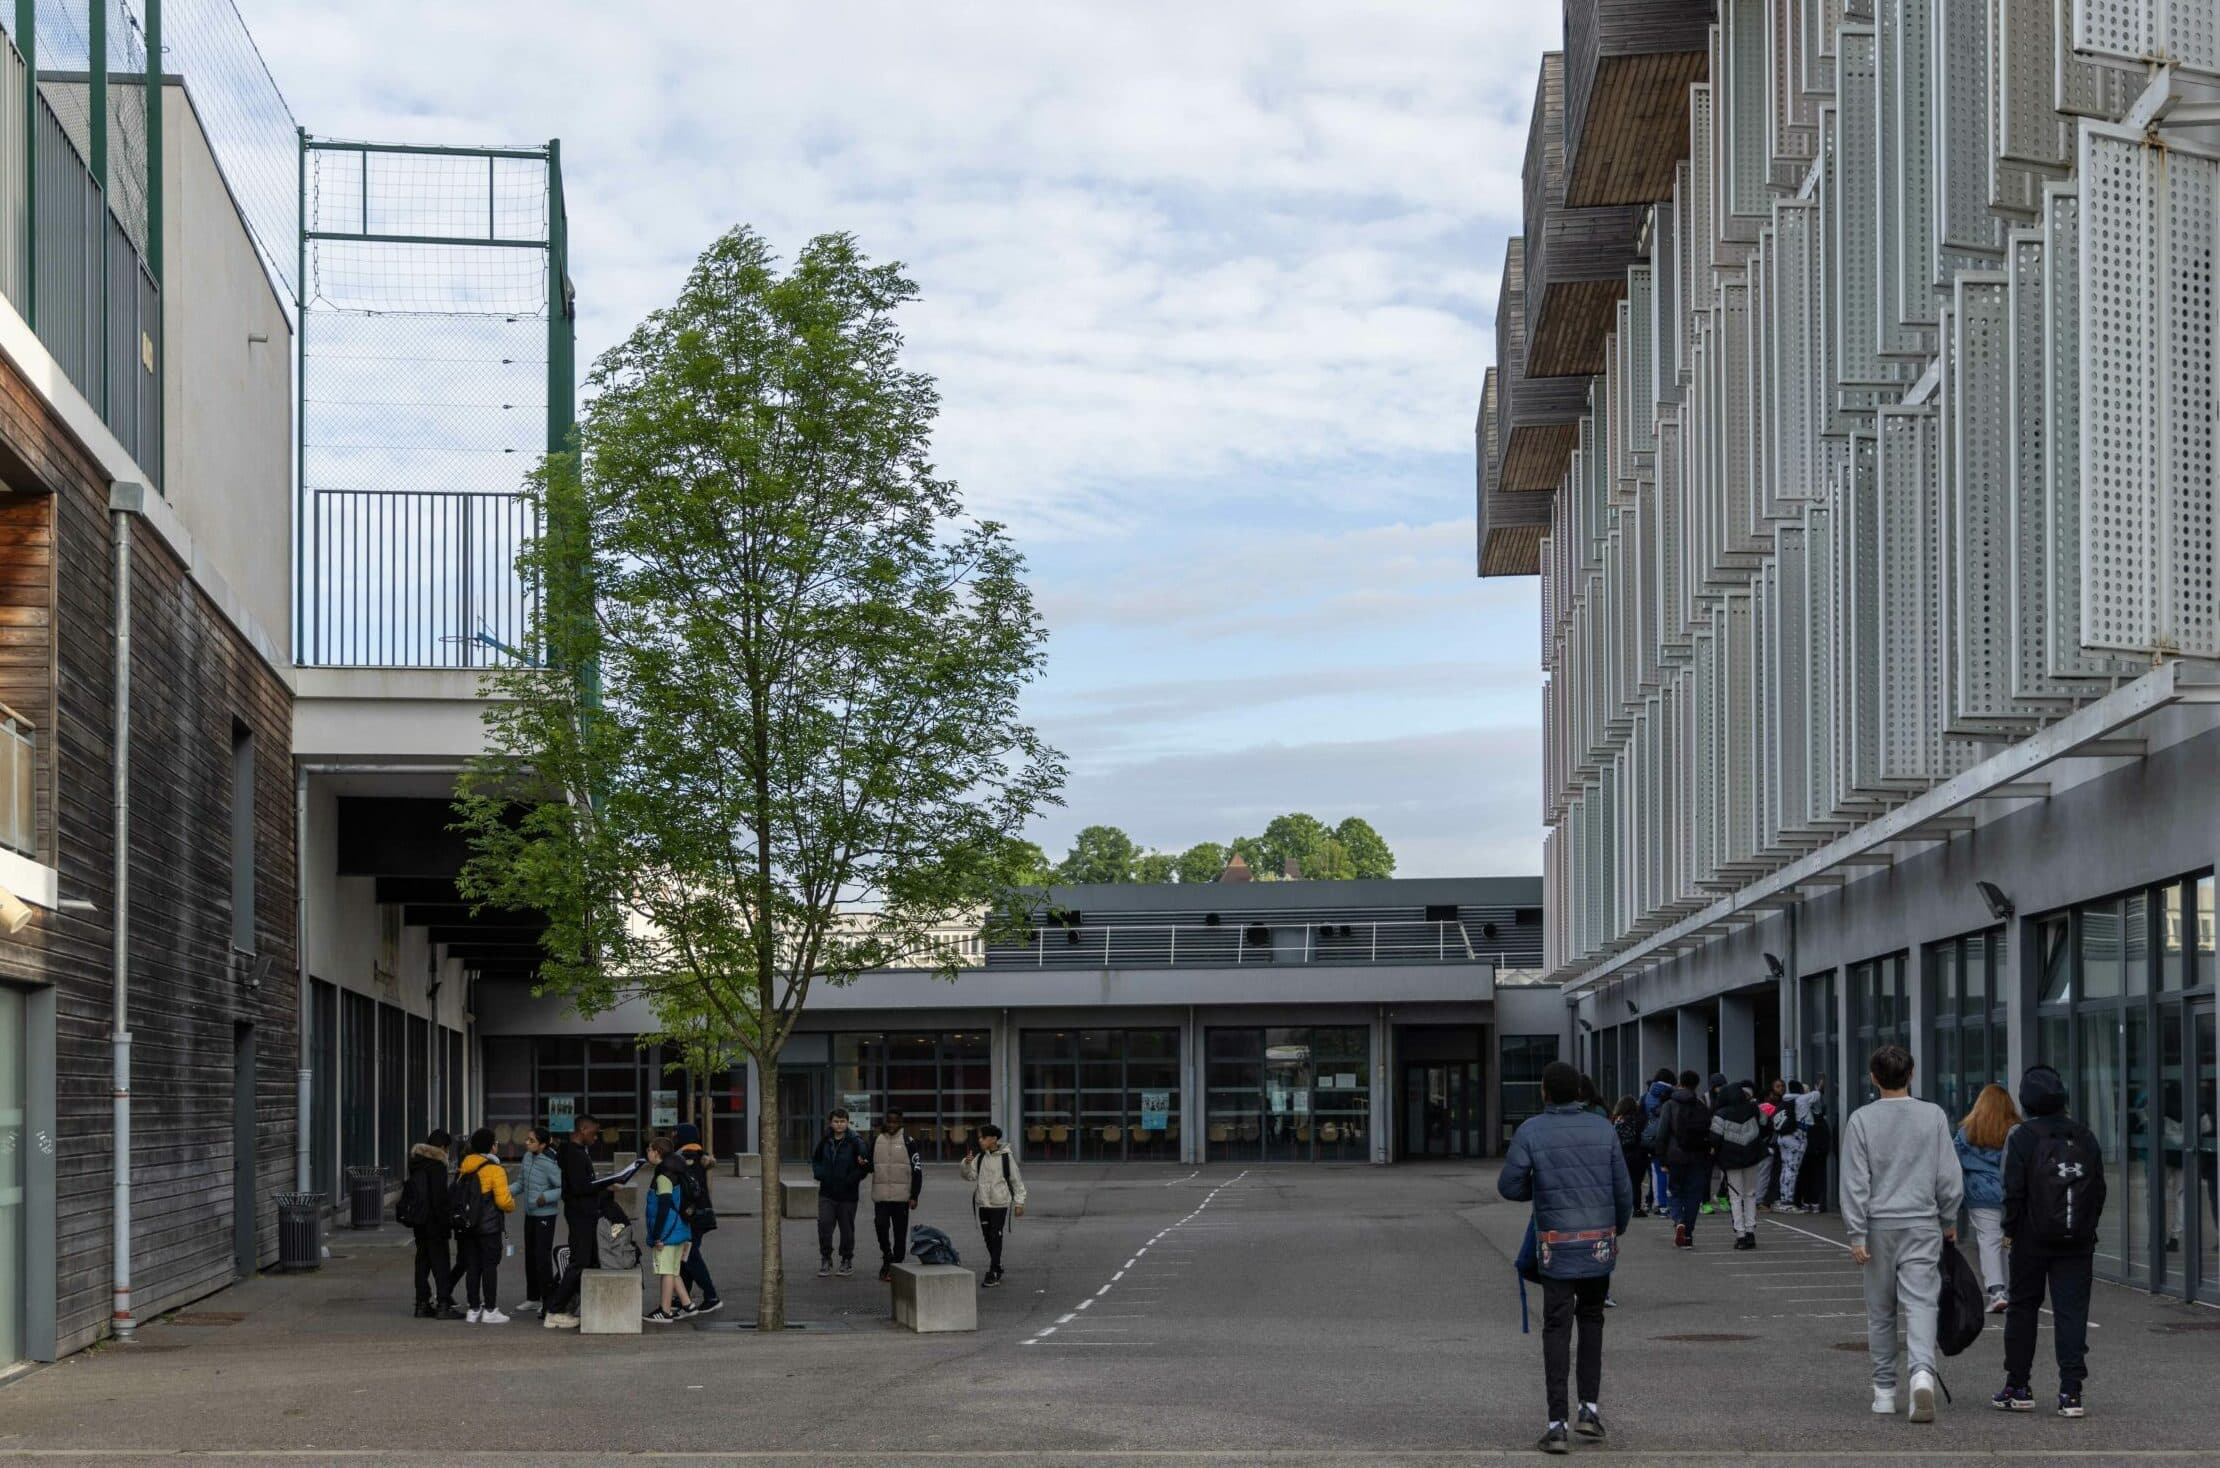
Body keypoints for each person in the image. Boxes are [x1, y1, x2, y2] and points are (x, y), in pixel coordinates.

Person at [1498, 1060, 1632, 1455]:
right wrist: (1616, 1228)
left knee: (1556, 1327)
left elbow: (1509, 1185)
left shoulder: (1531, 1130)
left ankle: (1555, 1425)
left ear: (1543, 1092)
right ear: (1579, 1092)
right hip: (1598, 1244)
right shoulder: (1604, 1129)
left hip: (1555, 1246)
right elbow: (1622, 1190)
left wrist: (1541, 1192)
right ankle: (1588, 1410)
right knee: (1592, 1319)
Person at [1841, 1045, 1960, 1423]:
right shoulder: (1933, 1116)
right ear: (1911, 1075)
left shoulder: (1861, 1120)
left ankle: (1884, 1392)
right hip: (1923, 1222)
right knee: (1923, 1302)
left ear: (1873, 1078)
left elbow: (1855, 1182)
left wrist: (1856, 1233)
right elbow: (1948, 1176)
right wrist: (1948, 1215)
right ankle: (1922, 1372)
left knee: (1880, 1311)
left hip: (1877, 1226)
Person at [1996, 1064, 2106, 1418]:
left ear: (2026, 1100)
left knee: (2023, 1308)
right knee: (2071, 1313)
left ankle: (2018, 1386)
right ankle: (2071, 1392)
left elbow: (2013, 1190)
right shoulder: (2084, 1136)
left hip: (2030, 1237)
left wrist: (2009, 1230)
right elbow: (2099, 1189)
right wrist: (2087, 1227)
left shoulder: (2023, 1137)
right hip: (2077, 1239)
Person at [542, 1114, 642, 1330]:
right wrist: (605, 1184)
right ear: (583, 1129)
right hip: (580, 1214)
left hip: (582, 1212)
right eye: (594, 1132)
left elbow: (582, 1183)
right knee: (579, 1260)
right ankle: (555, 1310)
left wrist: (603, 1182)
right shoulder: (574, 1154)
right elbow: (580, 1187)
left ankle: (563, 1305)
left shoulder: (574, 1152)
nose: (596, 1137)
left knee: (584, 1259)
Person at [1955, 1083, 2019, 1313]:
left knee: (1989, 1241)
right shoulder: (2016, 1130)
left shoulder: (1967, 1131)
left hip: (1981, 1195)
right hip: (2011, 1193)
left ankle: (1997, 1291)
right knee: (2009, 1242)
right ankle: (2013, 1290)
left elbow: (1955, 1164)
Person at [453, 1127, 516, 1324]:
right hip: (488, 1228)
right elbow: (504, 1202)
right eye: (496, 1143)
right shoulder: (494, 1169)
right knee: (489, 1267)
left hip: (468, 1227)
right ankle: (490, 1309)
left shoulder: (464, 1167)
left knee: (472, 1267)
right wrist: (512, 1204)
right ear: (491, 1147)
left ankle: (473, 1309)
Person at [403, 1129, 462, 1320]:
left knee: (422, 1262)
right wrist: (447, 1222)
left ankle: (422, 1303)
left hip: (419, 1220)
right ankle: (444, 1304)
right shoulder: (437, 1165)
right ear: (443, 1147)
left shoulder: (416, 1163)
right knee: (441, 1263)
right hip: (435, 1222)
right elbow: (439, 1199)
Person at [960, 1123, 1028, 1287]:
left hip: (1000, 1203)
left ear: (993, 1139)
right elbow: (970, 1177)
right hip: (983, 1203)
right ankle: (997, 1265)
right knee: (987, 1237)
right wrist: (966, 1164)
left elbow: (1016, 1182)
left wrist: (1019, 1202)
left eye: (983, 1138)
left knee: (995, 1236)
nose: (980, 1141)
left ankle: (993, 1272)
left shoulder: (1006, 1157)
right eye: (979, 1138)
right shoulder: (980, 1157)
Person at [1654, 1070, 1713, 1248]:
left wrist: (1662, 1159)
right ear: (1696, 1085)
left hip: (1675, 1156)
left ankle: (1679, 1219)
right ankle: (1688, 1232)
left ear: (1679, 1083)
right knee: (1694, 1195)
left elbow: (1662, 1134)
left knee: (1675, 1191)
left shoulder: (1670, 1105)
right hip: (1698, 1156)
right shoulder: (1701, 1105)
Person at [869, 1107, 925, 1282]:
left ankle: (897, 1264)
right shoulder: (876, 1140)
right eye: (889, 1121)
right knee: (881, 1225)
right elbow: (869, 1165)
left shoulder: (909, 1142)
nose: (892, 1125)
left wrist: (914, 1195)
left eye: (895, 1121)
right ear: (885, 1121)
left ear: (901, 1122)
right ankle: (887, 1255)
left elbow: (917, 1170)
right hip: (881, 1197)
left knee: (900, 1234)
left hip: (902, 1198)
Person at [643, 1133, 695, 1323]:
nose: (647, 1152)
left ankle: (664, 1311)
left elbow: (663, 1207)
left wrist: (658, 1235)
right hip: (680, 1228)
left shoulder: (664, 1176)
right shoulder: (678, 1170)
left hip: (668, 1232)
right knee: (673, 1271)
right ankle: (688, 1304)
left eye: (649, 1149)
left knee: (666, 1271)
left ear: (657, 1153)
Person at [1711, 1080, 1769, 1250]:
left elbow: (1715, 1138)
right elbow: (1766, 1123)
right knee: (1750, 1194)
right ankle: (1751, 1231)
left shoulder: (1720, 1114)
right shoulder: (1752, 1108)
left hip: (1731, 1159)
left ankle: (1740, 1234)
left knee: (1735, 1196)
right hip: (1752, 1155)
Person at [811, 1108, 869, 1278]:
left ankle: (846, 1260)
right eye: (836, 1121)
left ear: (847, 1122)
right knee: (824, 1226)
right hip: (827, 1193)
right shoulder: (825, 1140)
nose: (839, 1124)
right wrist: (821, 1174)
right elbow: (816, 1160)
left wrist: (850, 1180)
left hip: (848, 1195)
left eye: (842, 1121)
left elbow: (864, 1167)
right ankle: (826, 1258)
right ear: (831, 1122)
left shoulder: (856, 1141)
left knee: (847, 1229)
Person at [673, 1123, 722, 1316]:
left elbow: (688, 1190)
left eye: (676, 1134)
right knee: (686, 1256)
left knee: (690, 1256)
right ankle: (681, 1298)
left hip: (693, 1216)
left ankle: (711, 1297)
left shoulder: (687, 1158)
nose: (674, 1137)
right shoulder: (700, 1154)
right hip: (701, 1214)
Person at [515, 1126, 563, 1316]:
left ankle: (548, 1300)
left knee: (542, 1259)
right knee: (531, 1257)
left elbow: (564, 1186)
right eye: (527, 1139)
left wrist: (546, 1196)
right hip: (530, 1214)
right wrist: (501, 1193)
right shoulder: (527, 1158)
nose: (527, 1142)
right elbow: (520, 1183)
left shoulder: (550, 1163)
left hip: (545, 1216)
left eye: (531, 1140)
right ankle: (533, 1298)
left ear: (542, 1145)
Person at [1641, 1068, 1676, 1215]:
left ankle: (1660, 1203)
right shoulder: (1672, 1095)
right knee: (1673, 1173)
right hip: (1671, 1138)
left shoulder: (1646, 1096)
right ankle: (1670, 1202)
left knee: (1657, 1172)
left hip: (1652, 1139)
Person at [1795, 1077, 1832, 1213]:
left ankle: (1811, 1201)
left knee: (1810, 1174)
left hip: (1811, 1144)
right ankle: (1811, 1201)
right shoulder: (1809, 1107)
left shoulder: (1802, 1106)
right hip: (1812, 1144)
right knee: (1811, 1174)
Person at [1609, 1096, 1647, 1220]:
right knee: (1636, 1183)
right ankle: (1636, 1208)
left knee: (1622, 1182)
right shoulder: (1639, 1120)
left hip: (1622, 1154)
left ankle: (1620, 1206)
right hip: (1637, 1155)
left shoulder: (1617, 1120)